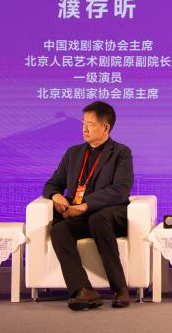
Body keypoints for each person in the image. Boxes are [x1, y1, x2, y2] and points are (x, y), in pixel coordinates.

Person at [42, 101, 135, 309]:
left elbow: (120, 189)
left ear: (105, 127)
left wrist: (85, 205)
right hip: (81, 216)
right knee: (59, 230)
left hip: (111, 215)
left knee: (98, 219)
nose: (84, 128)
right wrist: (56, 197)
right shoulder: (73, 153)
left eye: (90, 124)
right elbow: (52, 184)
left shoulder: (120, 153)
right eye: (83, 123)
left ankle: (120, 288)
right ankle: (83, 290)